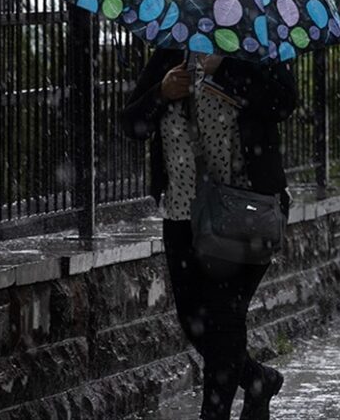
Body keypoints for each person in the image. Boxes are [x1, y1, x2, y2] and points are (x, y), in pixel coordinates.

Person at [120, 49, 297, 420]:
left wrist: (227, 69)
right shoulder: (170, 55)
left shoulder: (255, 49)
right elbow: (131, 125)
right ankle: (258, 379)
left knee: (224, 318)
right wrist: (161, 94)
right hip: (182, 214)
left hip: (243, 212)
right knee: (194, 321)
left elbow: (283, 103)